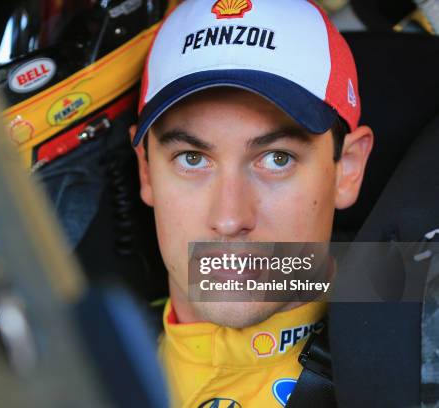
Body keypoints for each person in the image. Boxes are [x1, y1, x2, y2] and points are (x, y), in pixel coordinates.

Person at [129, 0, 374, 406]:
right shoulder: (80, 358)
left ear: (347, 168)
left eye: (277, 159)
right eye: (192, 159)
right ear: (146, 171)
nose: (229, 218)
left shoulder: (412, 360)